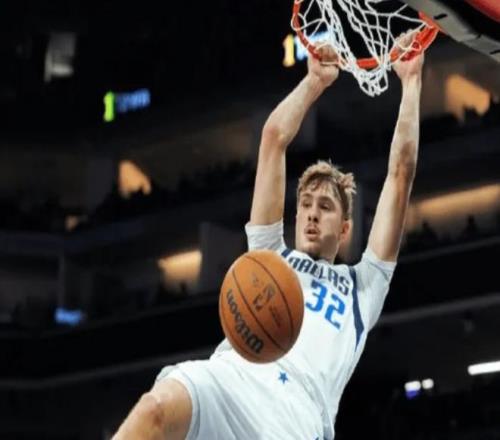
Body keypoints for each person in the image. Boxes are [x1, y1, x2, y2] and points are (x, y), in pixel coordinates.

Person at [112, 38, 424, 440]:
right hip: (232, 374)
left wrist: (411, 82)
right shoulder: (270, 256)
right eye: (306, 204)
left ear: (345, 228)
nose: (312, 213)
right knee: (154, 409)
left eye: (325, 207)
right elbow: (274, 139)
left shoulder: (364, 286)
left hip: (295, 413)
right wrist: (313, 82)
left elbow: (400, 174)